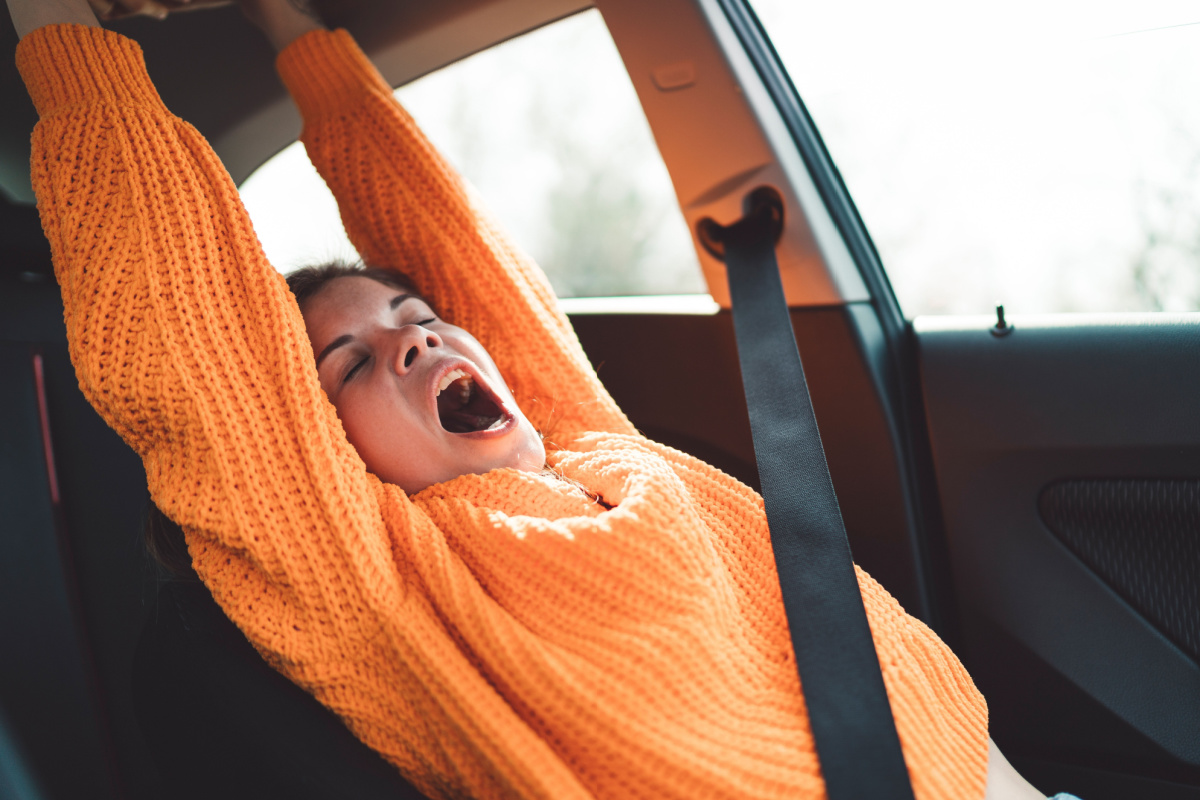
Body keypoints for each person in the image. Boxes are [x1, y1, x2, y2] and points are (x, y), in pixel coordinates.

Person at [6, 0, 1071, 797]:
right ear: (321, 450)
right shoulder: (392, 579)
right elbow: (200, 348)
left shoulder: (592, 444)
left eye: (412, 311)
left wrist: (293, 22)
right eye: (353, 363)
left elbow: (454, 250)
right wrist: (64, 31)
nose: (412, 334)